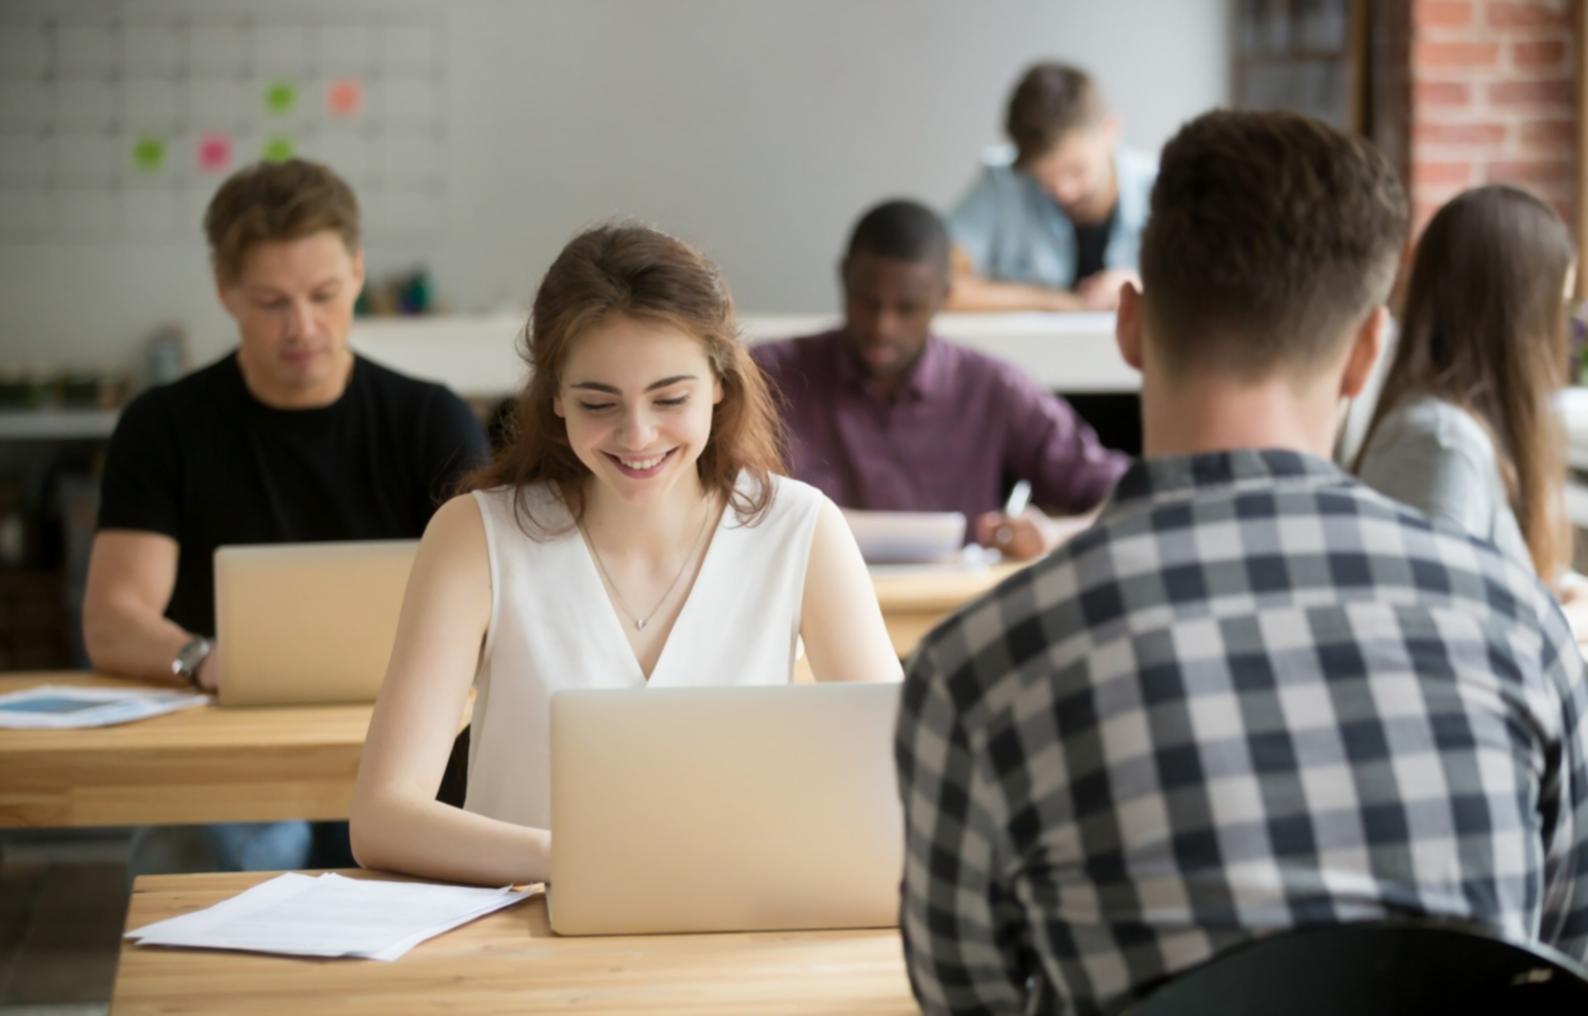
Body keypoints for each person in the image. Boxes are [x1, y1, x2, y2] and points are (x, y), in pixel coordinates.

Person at [895, 110, 1588, 1014]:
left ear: (1130, 326)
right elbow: (1562, 956)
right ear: (1365, 352)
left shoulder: (979, 670)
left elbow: (968, 1003)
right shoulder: (1521, 627)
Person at [350, 224, 901, 886]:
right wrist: (581, 861)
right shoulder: (474, 536)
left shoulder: (801, 530)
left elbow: (903, 778)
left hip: (737, 922)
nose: (637, 435)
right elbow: (381, 818)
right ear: (555, 396)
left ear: (720, 382)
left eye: (670, 399)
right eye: (597, 403)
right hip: (518, 927)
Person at [83, 158, 488, 872]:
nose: (302, 326)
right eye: (271, 302)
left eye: (323, 295)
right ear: (226, 291)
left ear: (357, 273)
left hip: (409, 742)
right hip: (229, 749)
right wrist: (203, 659)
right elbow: (113, 618)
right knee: (213, 853)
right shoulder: (163, 425)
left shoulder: (430, 419)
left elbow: (497, 602)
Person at [752, 200, 1127, 561]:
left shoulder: (994, 388)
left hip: (954, 599)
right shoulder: (769, 377)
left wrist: (1056, 535)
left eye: (907, 309)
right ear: (844, 277)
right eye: (868, 302)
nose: (883, 326)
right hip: (807, 601)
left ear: (943, 296)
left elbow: (1128, 495)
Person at [1352, 185, 1588, 638]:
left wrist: (1558, 589)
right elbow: (1438, 627)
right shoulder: (1439, 442)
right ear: (1518, 316)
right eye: (1555, 309)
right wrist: (1570, 619)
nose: (1560, 334)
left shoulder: (1458, 433)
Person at [946, 61, 1156, 313]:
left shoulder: (1163, 187)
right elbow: (941, 285)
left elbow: (1199, 292)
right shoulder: (1002, 182)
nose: (1064, 192)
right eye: (1043, 179)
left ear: (1110, 130)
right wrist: (1056, 301)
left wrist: (1148, 290)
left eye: (1076, 170)